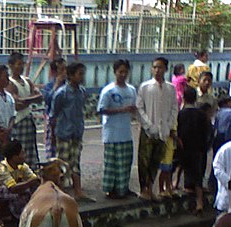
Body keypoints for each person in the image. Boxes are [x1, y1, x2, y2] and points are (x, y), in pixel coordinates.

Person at [136, 57, 178, 201]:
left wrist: (169, 124)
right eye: (154, 67)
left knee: (156, 161)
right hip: (148, 130)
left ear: (166, 69)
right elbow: (139, 108)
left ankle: (150, 187)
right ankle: (144, 189)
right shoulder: (145, 87)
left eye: (160, 67)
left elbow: (174, 108)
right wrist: (148, 125)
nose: (157, 70)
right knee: (144, 160)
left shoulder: (171, 89)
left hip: (163, 131)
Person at [98, 59, 137, 200]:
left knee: (125, 163)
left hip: (126, 132)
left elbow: (135, 108)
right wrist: (121, 110)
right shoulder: (108, 91)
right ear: (115, 72)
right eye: (120, 71)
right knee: (112, 164)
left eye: (125, 71)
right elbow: (101, 110)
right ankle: (111, 189)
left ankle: (123, 188)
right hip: (112, 133)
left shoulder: (131, 90)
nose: (123, 74)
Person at [51, 62, 89, 201]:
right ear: (71, 75)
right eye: (79, 74)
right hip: (64, 133)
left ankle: (78, 191)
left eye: (83, 73)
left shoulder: (82, 92)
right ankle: (59, 193)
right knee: (62, 163)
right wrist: (54, 135)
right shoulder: (62, 93)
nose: (82, 76)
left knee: (75, 162)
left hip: (77, 132)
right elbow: (54, 114)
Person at [177, 86, 210, 215]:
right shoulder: (201, 114)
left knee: (180, 165)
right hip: (198, 147)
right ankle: (199, 202)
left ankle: (174, 186)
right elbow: (206, 131)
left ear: (184, 98)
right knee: (197, 175)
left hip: (184, 145)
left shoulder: (181, 114)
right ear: (195, 98)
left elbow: (178, 130)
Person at [0, 140, 40, 221]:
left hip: (14, 193)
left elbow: (34, 180)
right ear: (14, 157)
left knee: (34, 187)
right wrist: (33, 181)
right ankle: (20, 216)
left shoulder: (22, 167)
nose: (25, 156)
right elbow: (13, 188)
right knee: (7, 190)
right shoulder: (1, 169)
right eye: (22, 153)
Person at [7, 51, 41, 168]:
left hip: (28, 121)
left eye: (23, 64)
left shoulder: (27, 80)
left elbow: (40, 97)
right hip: (18, 122)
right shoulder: (10, 83)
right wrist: (31, 99)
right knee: (19, 153)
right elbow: (17, 105)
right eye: (18, 64)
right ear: (11, 65)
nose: (21, 67)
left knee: (30, 152)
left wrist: (25, 100)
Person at [41, 58, 66, 160]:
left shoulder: (70, 86)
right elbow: (48, 101)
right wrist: (56, 86)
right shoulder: (49, 86)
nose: (65, 72)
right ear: (55, 72)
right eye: (62, 69)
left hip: (66, 121)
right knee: (52, 150)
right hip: (53, 122)